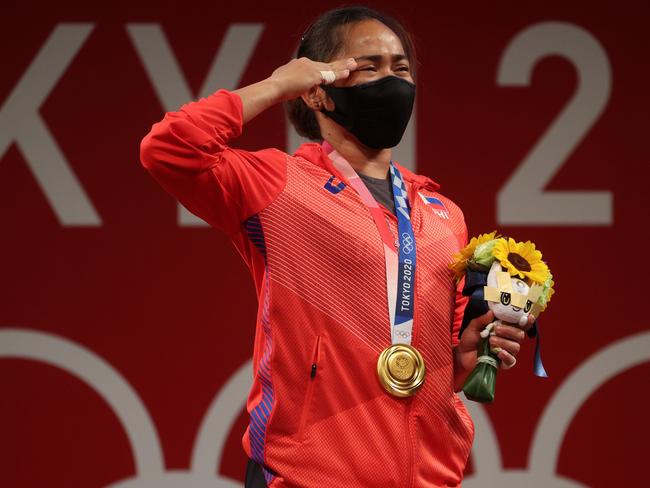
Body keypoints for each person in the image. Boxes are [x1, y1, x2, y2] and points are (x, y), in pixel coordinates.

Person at [140, 6, 531, 487]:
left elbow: (423, 359)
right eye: (369, 67)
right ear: (319, 90)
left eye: (401, 68)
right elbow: (170, 148)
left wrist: (465, 359)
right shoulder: (279, 187)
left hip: (430, 477)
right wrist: (281, 83)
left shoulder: (443, 214)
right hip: (308, 478)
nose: (391, 80)